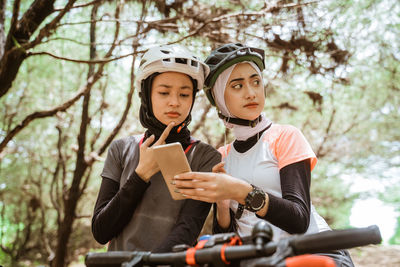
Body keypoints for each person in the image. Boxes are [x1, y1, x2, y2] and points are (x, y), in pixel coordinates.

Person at [172, 43, 354, 266]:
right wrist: (222, 204)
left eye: (256, 82)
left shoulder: (285, 136)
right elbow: (227, 236)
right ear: (219, 97)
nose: (251, 93)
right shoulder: (221, 156)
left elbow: (299, 219)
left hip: (315, 252)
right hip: (263, 260)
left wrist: (242, 192)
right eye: (237, 86)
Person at [91, 44, 221, 253]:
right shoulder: (121, 149)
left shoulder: (205, 157)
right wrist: (140, 175)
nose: (174, 102)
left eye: (184, 95)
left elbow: (186, 230)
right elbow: (101, 231)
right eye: (164, 92)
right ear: (146, 95)